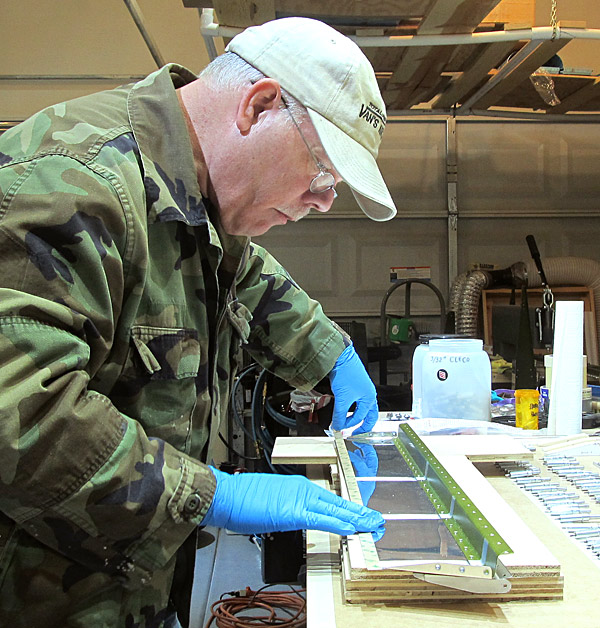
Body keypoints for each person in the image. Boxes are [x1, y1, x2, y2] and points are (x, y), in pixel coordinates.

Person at [0, 16, 396, 628]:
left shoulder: (193, 197)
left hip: (126, 583)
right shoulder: (73, 186)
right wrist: (214, 495)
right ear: (259, 106)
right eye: (322, 174)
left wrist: (330, 355)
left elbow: (245, 276)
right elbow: (21, 416)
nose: (323, 202)